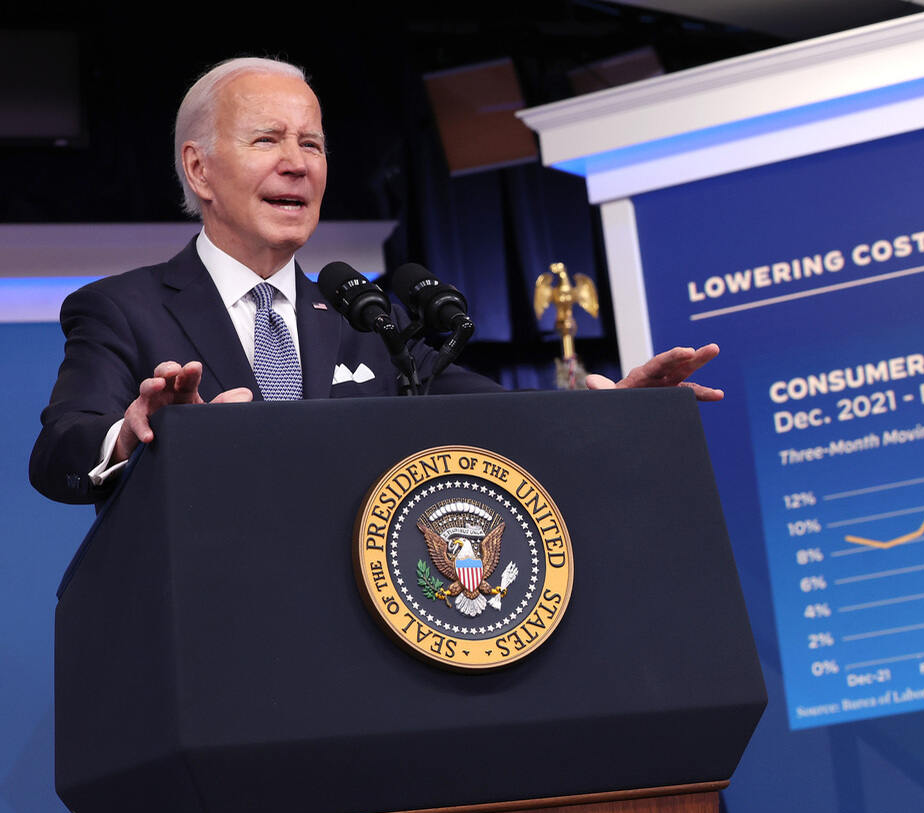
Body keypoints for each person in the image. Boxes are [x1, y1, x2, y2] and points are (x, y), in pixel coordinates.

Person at [30, 57, 720, 505]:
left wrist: (612, 412)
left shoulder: (367, 315)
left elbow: (497, 414)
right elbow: (58, 450)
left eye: (313, 143)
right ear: (200, 169)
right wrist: (131, 434)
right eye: (268, 140)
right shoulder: (123, 307)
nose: (297, 164)